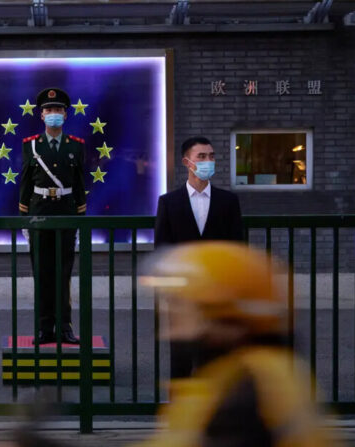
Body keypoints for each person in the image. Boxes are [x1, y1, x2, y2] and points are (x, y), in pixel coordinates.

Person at [138, 242, 334, 447]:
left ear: (223, 314)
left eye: (179, 301)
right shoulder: (234, 373)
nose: (168, 310)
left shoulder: (246, 395)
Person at [154, 135, 243, 378]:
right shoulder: (169, 203)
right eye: (201, 157)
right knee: (181, 359)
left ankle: (218, 412)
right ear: (187, 162)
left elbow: (237, 249)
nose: (208, 161)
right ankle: (181, 410)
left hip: (218, 294)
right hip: (183, 295)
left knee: (218, 360)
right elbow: (163, 251)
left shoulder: (228, 202)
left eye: (211, 156)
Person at [19, 87, 87, 345]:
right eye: (49, 110)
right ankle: (44, 328)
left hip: (67, 214)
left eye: (58, 110)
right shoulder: (31, 145)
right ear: (41, 115)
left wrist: (80, 220)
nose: (53, 114)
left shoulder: (76, 145)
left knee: (64, 273)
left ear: (65, 115)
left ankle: (65, 328)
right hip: (39, 215)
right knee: (42, 273)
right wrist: (24, 219)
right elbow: (25, 182)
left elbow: (80, 185)